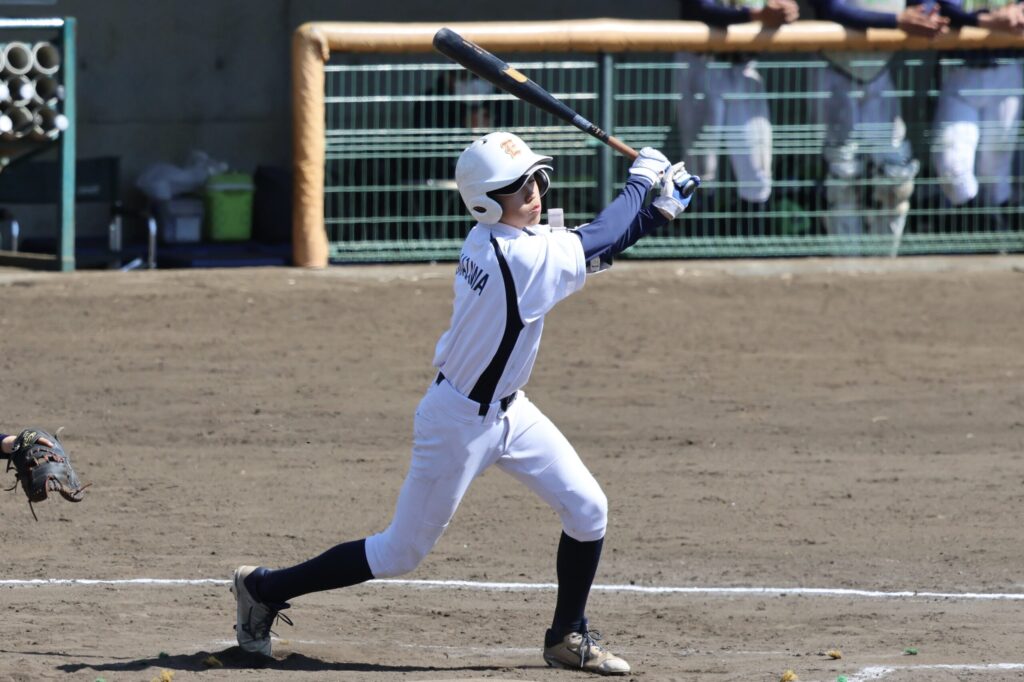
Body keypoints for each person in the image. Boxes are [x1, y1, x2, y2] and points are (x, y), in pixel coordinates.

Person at [230, 131, 698, 676]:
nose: (533, 191)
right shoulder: (515, 257)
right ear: (485, 202)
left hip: (511, 412)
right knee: (398, 553)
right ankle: (263, 588)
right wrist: (643, 185)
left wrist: (657, 209)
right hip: (456, 423)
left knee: (588, 510)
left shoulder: (500, 239)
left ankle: (566, 636)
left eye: (535, 178)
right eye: (516, 186)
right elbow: (598, 238)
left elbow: (590, 248)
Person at [809, 0, 949, 245]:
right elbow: (831, 8)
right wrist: (897, 20)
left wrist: (925, 13)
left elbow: (930, 4)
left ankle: (884, 260)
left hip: (879, 71)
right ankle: (846, 261)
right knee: (843, 175)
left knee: (896, 177)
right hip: (834, 69)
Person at [676, 0, 800, 235]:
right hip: (702, 61)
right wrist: (756, 15)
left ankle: (749, 244)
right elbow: (697, 8)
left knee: (756, 164)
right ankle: (699, 243)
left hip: (745, 65)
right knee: (700, 168)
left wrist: (786, 10)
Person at [930, 0, 1024, 231]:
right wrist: (986, 20)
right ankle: (975, 228)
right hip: (960, 68)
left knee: (995, 172)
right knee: (952, 167)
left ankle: (993, 237)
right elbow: (943, 9)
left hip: (1007, 67)